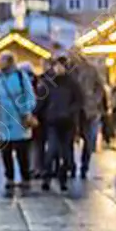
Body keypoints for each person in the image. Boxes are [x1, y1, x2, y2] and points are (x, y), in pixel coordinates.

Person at [0, 51, 37, 193]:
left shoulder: (20, 75)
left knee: (21, 150)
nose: (0, 63)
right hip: (4, 118)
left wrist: (27, 110)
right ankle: (9, 177)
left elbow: (29, 94)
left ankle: (25, 176)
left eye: (3, 60)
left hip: (19, 117)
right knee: (5, 150)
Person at [37, 56, 84, 192]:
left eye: (62, 66)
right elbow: (41, 101)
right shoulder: (48, 83)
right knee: (51, 150)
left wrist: (70, 111)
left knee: (66, 154)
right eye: (57, 66)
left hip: (67, 123)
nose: (59, 69)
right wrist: (34, 114)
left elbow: (79, 101)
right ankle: (47, 178)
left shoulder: (72, 84)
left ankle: (62, 179)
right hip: (52, 121)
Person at [73, 55, 107, 179]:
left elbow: (100, 88)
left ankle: (83, 166)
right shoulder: (71, 70)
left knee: (88, 139)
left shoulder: (91, 70)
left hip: (89, 110)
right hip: (76, 110)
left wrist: (94, 100)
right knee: (72, 140)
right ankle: (72, 166)